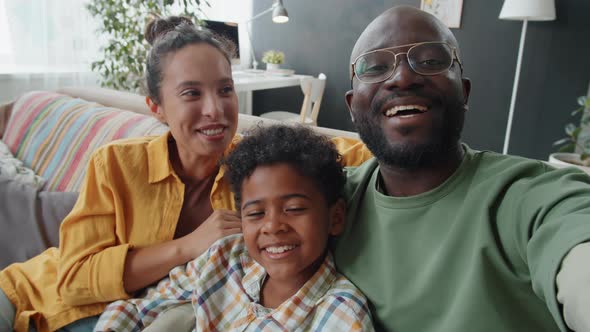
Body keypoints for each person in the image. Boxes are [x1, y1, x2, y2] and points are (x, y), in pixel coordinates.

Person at [333, 5, 590, 332]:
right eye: (375, 66)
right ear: (352, 106)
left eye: (430, 60)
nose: (402, 77)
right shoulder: (328, 203)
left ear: (463, 91)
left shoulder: (524, 197)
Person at [0, 16, 244, 332]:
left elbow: (325, 149)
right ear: (156, 108)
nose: (215, 108)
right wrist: (188, 245)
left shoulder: (254, 166)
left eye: (225, 89)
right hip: (30, 295)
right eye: (191, 93)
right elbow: (74, 280)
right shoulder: (116, 163)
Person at [93, 124, 375, 331]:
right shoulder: (224, 257)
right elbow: (137, 309)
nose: (272, 226)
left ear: (335, 218)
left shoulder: (341, 315)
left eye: (294, 209)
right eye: (255, 213)